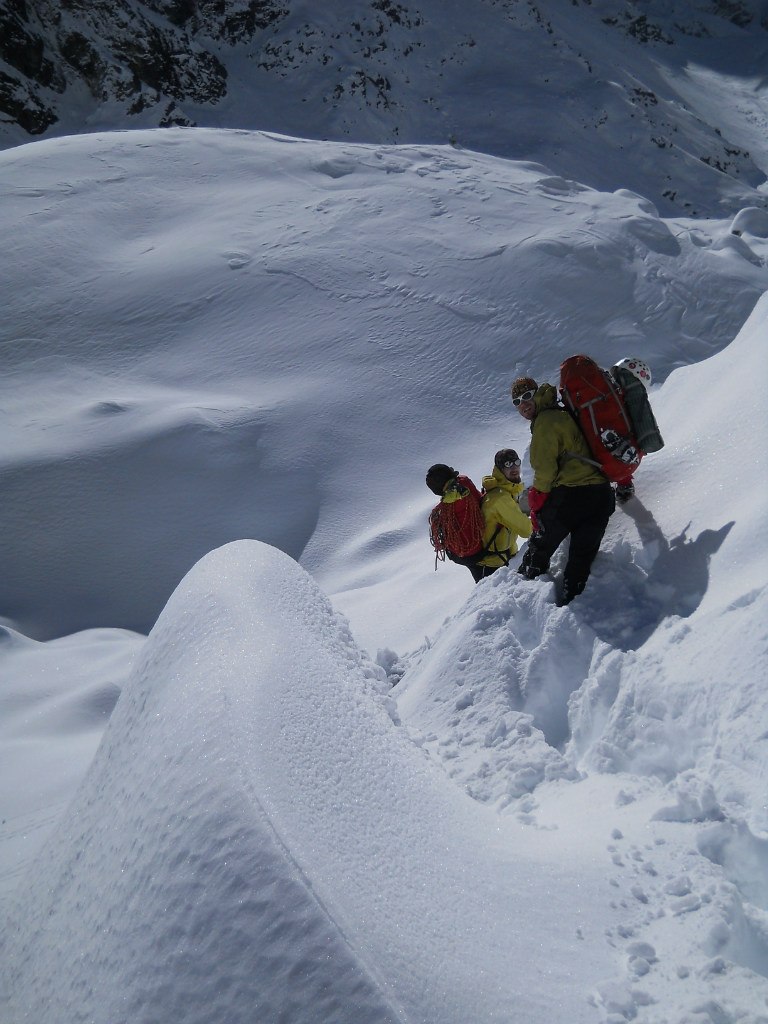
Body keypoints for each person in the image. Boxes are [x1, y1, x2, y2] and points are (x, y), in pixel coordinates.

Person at [510, 375, 615, 605]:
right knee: (581, 557)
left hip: (571, 497)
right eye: (517, 401)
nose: (523, 404)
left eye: (527, 396)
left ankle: (521, 595)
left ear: (537, 393)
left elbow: (545, 471)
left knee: (540, 545)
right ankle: (570, 600)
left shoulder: (546, 422)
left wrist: (537, 499)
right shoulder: (562, 412)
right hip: (601, 496)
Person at [425, 461, 532, 583]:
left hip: (469, 557)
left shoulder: (445, 507)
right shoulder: (464, 483)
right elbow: (480, 501)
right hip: (490, 557)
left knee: (488, 591)